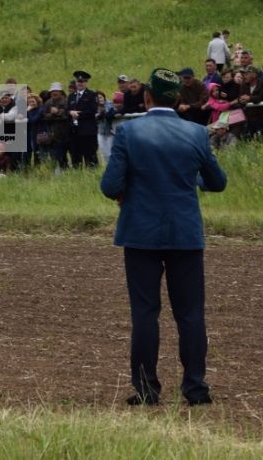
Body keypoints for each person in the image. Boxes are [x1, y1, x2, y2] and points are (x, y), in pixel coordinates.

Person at [100, 68, 226, 407]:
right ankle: (195, 388)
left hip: (140, 232)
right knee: (190, 313)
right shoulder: (197, 133)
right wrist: (191, 181)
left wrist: (127, 191)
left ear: (147, 97)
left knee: (145, 312)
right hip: (185, 232)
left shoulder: (128, 132)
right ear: (178, 99)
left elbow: (109, 186)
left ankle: (146, 390)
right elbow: (217, 182)